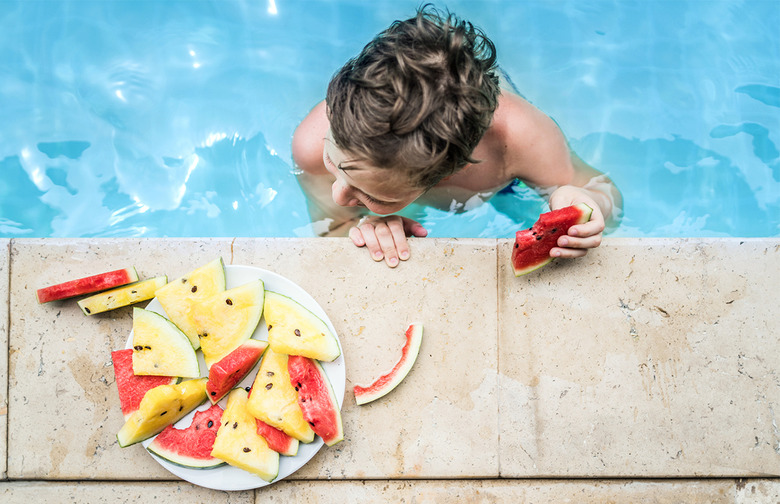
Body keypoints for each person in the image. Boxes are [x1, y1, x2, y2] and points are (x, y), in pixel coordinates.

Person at [292, 4, 622, 268]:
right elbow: (333, 226)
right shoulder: (311, 145)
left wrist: (588, 205)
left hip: (506, 182)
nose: (337, 195)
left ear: (453, 172)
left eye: (372, 194)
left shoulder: (519, 140)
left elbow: (602, 192)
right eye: (332, 161)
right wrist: (363, 227)